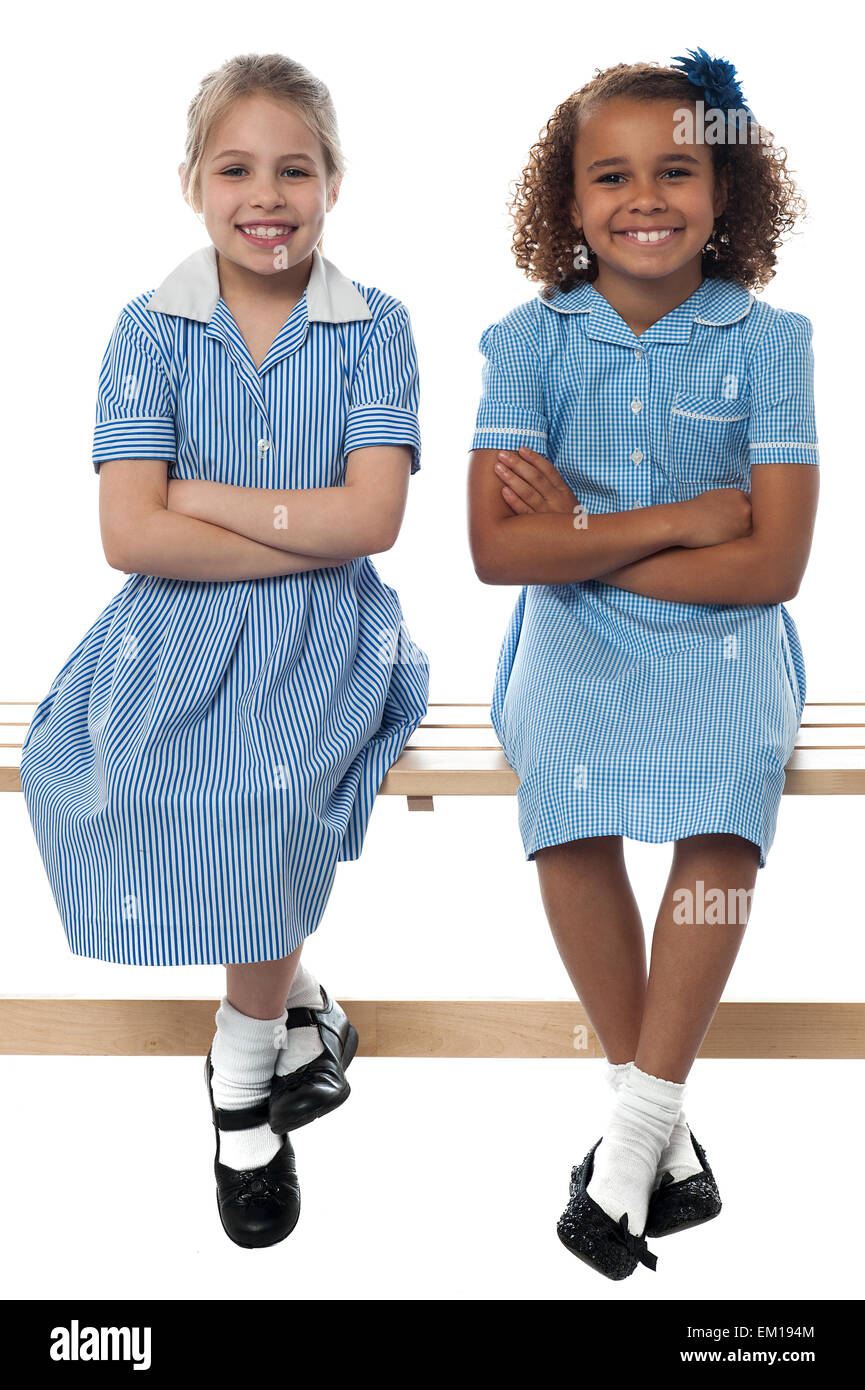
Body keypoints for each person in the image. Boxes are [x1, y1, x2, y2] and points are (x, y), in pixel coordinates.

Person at [19, 52, 429, 1250]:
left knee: (269, 785)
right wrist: (298, 523)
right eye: (237, 168)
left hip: (327, 632)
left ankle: (241, 1081)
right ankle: (295, 999)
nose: (268, 194)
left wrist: (206, 498)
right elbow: (127, 535)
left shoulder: (374, 328)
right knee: (123, 774)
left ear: (335, 182)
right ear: (194, 184)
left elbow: (377, 522)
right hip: (170, 629)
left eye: (295, 169)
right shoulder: (148, 330)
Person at [467, 48, 819, 1280]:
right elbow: (496, 551)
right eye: (609, 176)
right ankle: (657, 1136)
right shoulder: (527, 343)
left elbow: (772, 568)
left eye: (675, 169)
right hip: (572, 636)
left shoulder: (771, 343)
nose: (644, 197)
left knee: (727, 805)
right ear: (568, 203)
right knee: (561, 794)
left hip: (728, 637)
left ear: (725, 192)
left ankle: (631, 1140)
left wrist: (580, 539)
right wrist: (677, 518)